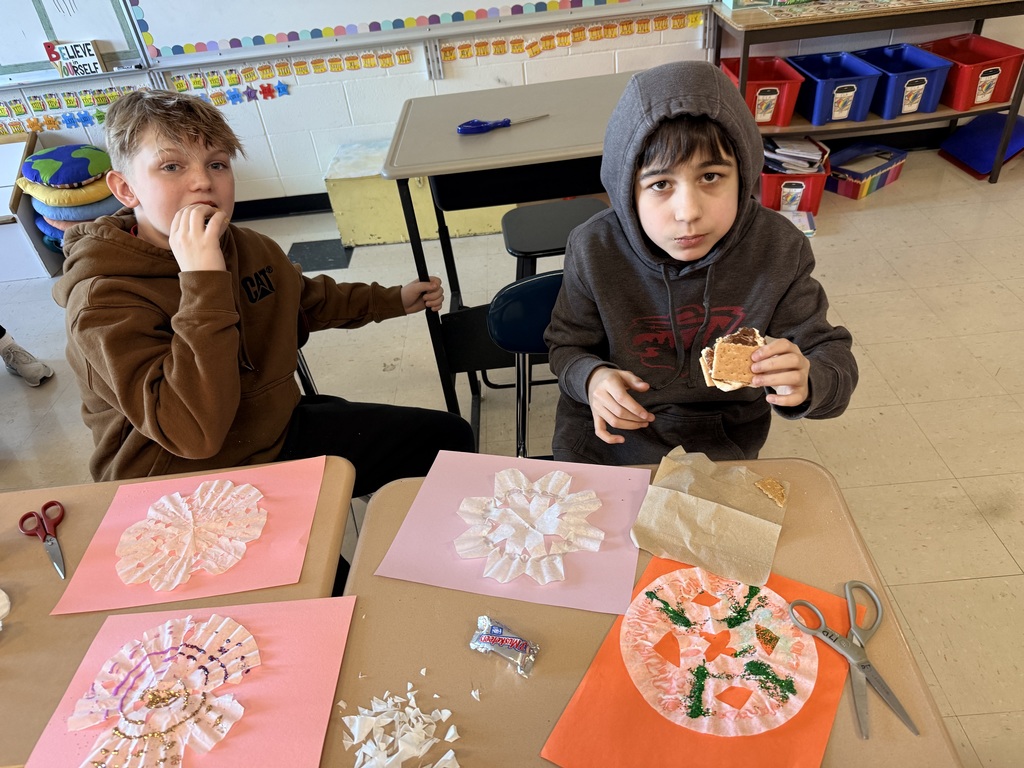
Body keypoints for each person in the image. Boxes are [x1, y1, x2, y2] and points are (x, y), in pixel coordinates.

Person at [53, 89, 474, 496]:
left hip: (269, 432)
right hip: (180, 480)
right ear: (126, 189)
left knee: (446, 438)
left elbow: (305, 299)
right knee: (328, 571)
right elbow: (193, 433)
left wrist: (392, 299)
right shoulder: (103, 298)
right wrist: (203, 281)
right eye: (171, 167)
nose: (203, 182)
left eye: (217, 164)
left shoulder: (248, 246)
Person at [545, 61, 858, 465]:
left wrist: (809, 379)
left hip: (721, 445)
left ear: (743, 174)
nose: (688, 212)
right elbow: (566, 344)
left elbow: (828, 351)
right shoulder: (594, 248)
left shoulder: (779, 248)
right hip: (610, 441)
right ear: (626, 190)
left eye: (711, 177)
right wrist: (590, 377)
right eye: (660, 185)